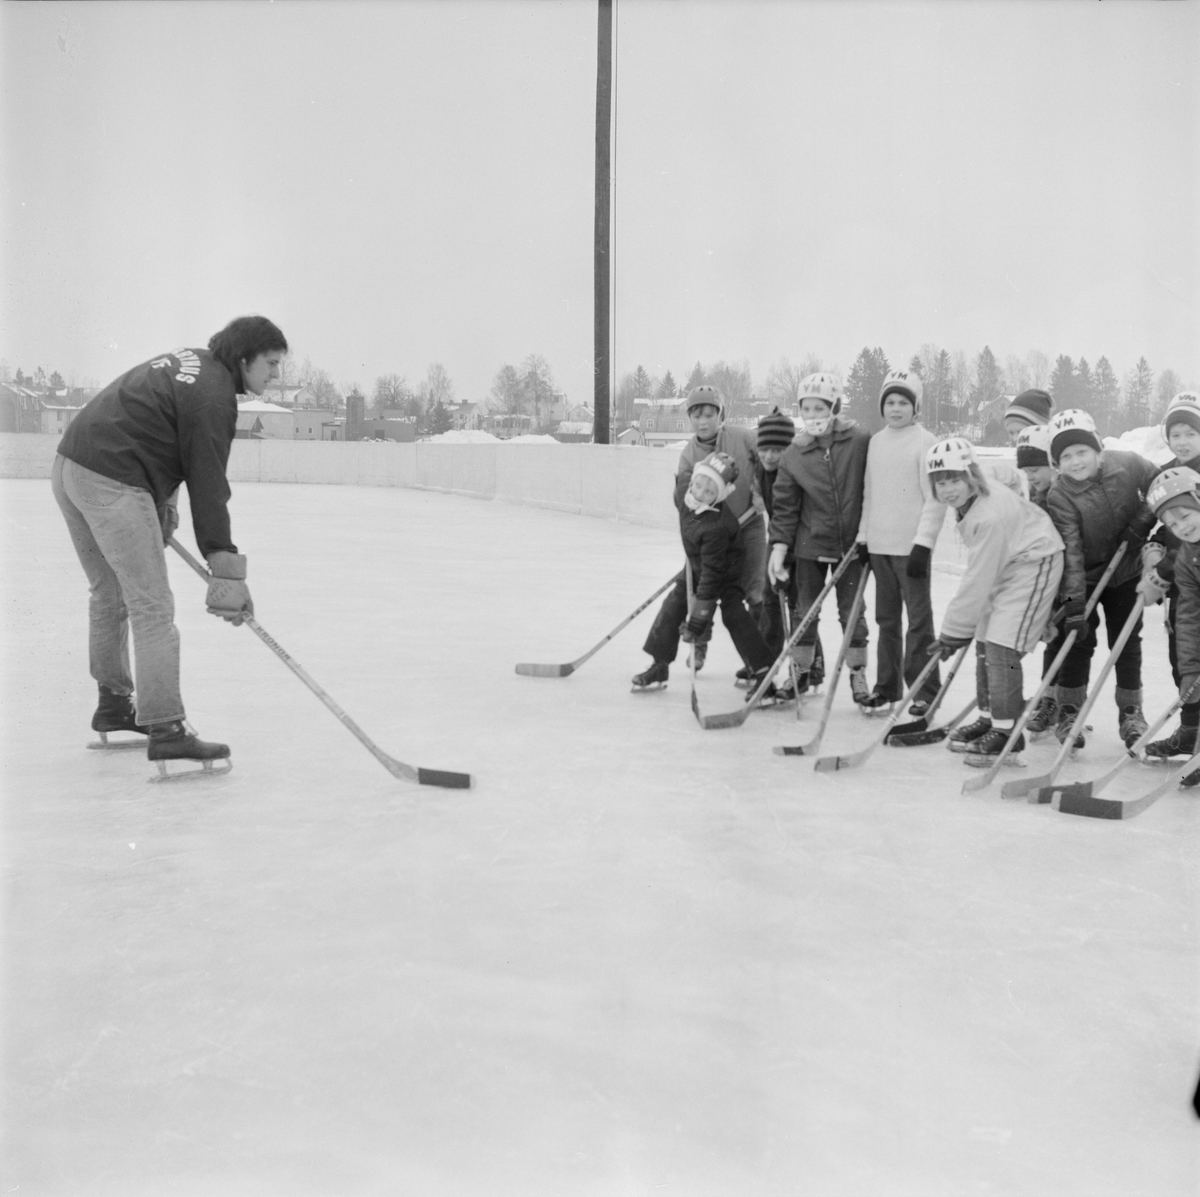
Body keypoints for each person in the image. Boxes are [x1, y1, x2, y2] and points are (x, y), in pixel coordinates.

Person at [52, 315, 288, 772]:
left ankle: (115, 705)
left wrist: (163, 509)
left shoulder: (195, 364)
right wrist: (225, 567)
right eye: (271, 364)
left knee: (110, 594)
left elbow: (159, 434)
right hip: (113, 479)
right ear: (244, 359)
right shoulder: (215, 397)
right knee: (152, 606)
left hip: (70, 468)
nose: (276, 376)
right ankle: (167, 730)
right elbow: (208, 480)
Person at [927, 438, 1065, 765]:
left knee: (1001, 643)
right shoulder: (980, 488)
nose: (948, 490)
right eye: (940, 483)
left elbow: (976, 580)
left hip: (1035, 559)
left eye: (954, 480)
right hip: (1010, 559)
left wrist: (951, 632)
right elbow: (1005, 473)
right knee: (983, 639)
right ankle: (990, 719)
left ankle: (1007, 734)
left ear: (971, 475)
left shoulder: (989, 516)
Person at [632, 384, 764, 689]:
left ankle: (758, 665)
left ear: (721, 414)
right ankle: (662, 662)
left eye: (709, 414)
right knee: (686, 594)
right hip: (711, 535)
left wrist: (761, 488)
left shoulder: (744, 437)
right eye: (696, 415)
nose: (703, 422)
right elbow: (684, 499)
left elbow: (772, 457)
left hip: (749, 528)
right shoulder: (689, 454)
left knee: (754, 594)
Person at [1045, 408, 1159, 750]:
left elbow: (1162, 486)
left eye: (1082, 452)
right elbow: (1071, 551)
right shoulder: (1059, 494)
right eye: (1066, 456)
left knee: (1126, 643)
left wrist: (1142, 522)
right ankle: (1069, 711)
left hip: (1127, 572)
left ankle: (1130, 712)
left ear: (1098, 449)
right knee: (1077, 639)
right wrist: (1074, 601)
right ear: (1057, 463)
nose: (1076, 462)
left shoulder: (1128, 463)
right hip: (1085, 577)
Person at [767, 372, 872, 708]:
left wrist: (868, 533)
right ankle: (800, 668)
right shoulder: (794, 453)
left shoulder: (858, 441)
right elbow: (785, 506)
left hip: (850, 549)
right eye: (806, 409)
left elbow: (873, 487)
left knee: (853, 613)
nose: (812, 416)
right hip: (810, 547)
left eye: (819, 408)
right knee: (805, 612)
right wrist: (779, 547)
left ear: (835, 407)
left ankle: (858, 673)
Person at [855, 368, 945, 715]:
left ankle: (925, 690)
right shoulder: (876, 443)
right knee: (886, 621)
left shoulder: (926, 442)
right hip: (879, 547)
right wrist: (864, 537)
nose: (895, 409)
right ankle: (887, 687)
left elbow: (935, 498)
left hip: (911, 551)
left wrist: (923, 543)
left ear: (915, 407)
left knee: (919, 621)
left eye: (903, 402)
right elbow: (869, 494)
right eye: (890, 402)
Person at [1139, 393, 1200, 758]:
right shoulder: (1167, 472)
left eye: (1189, 432)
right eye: (1174, 434)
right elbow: (1165, 523)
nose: (1182, 441)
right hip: (1187, 579)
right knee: (1185, 655)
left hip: (1182, 569)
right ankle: (1190, 734)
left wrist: (1163, 569)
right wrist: (1153, 548)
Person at [753, 407, 824, 698]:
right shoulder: (761, 470)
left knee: (799, 610)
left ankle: (807, 670)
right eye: (764, 449)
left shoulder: (796, 469)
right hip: (778, 541)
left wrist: (787, 557)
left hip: (800, 546)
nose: (770, 456)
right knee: (770, 602)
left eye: (777, 449)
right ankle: (766, 669)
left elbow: (798, 515)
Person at [1145, 465, 1200, 787]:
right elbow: (1190, 616)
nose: (1181, 526)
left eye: (1185, 515)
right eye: (1172, 523)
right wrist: (1191, 669)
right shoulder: (1186, 559)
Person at [1014, 423, 1063, 738]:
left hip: (1073, 588)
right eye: (1026, 471)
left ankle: (1058, 703)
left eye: (1036, 469)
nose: (1030, 476)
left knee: (1066, 641)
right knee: (1052, 642)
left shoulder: (1061, 496)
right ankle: (1050, 698)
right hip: (1047, 585)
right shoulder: (1032, 496)